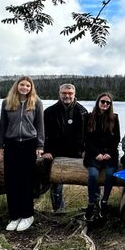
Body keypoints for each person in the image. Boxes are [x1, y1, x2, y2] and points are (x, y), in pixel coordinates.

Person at [0, 76, 45, 232]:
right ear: (16, 86)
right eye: (22, 85)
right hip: (11, 145)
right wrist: (0, 146)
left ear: (31, 88)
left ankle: (27, 215)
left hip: (28, 144)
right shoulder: (7, 102)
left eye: (28, 85)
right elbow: (2, 126)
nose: (24, 87)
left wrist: (40, 144)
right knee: (11, 181)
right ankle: (14, 215)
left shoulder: (36, 102)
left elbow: (40, 125)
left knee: (26, 181)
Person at [42, 83, 87, 212]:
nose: (67, 96)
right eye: (64, 93)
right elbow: (43, 134)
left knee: (94, 174)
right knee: (54, 181)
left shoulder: (82, 111)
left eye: (70, 93)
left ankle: (92, 208)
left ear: (74, 94)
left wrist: (85, 150)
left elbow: (86, 135)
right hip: (55, 152)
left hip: (76, 152)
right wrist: (45, 151)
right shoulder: (50, 112)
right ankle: (58, 210)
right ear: (59, 93)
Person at [83, 92, 121, 225]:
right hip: (93, 154)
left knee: (110, 175)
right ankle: (91, 203)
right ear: (98, 102)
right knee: (93, 175)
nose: (105, 104)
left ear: (110, 105)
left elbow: (116, 138)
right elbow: (86, 139)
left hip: (110, 154)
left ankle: (104, 201)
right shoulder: (89, 117)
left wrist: (108, 153)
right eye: (103, 101)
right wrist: (97, 153)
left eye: (108, 102)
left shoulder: (114, 118)